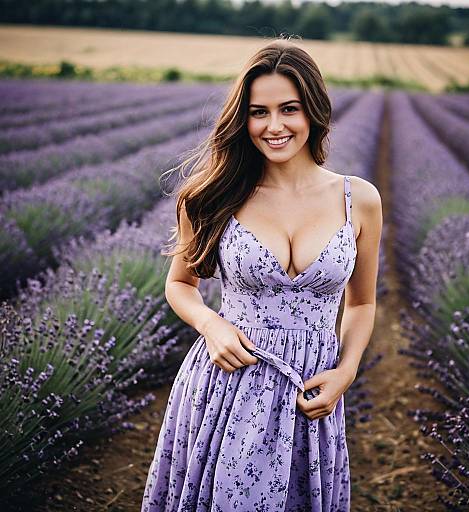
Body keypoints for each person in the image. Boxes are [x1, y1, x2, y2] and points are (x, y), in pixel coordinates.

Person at [141, 36, 382, 511]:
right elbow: (180, 285)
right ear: (242, 118)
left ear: (313, 111)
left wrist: (346, 372)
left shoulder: (360, 199)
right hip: (227, 388)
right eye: (258, 112)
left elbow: (362, 302)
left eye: (288, 109)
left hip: (311, 393)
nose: (274, 126)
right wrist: (211, 325)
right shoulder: (212, 196)